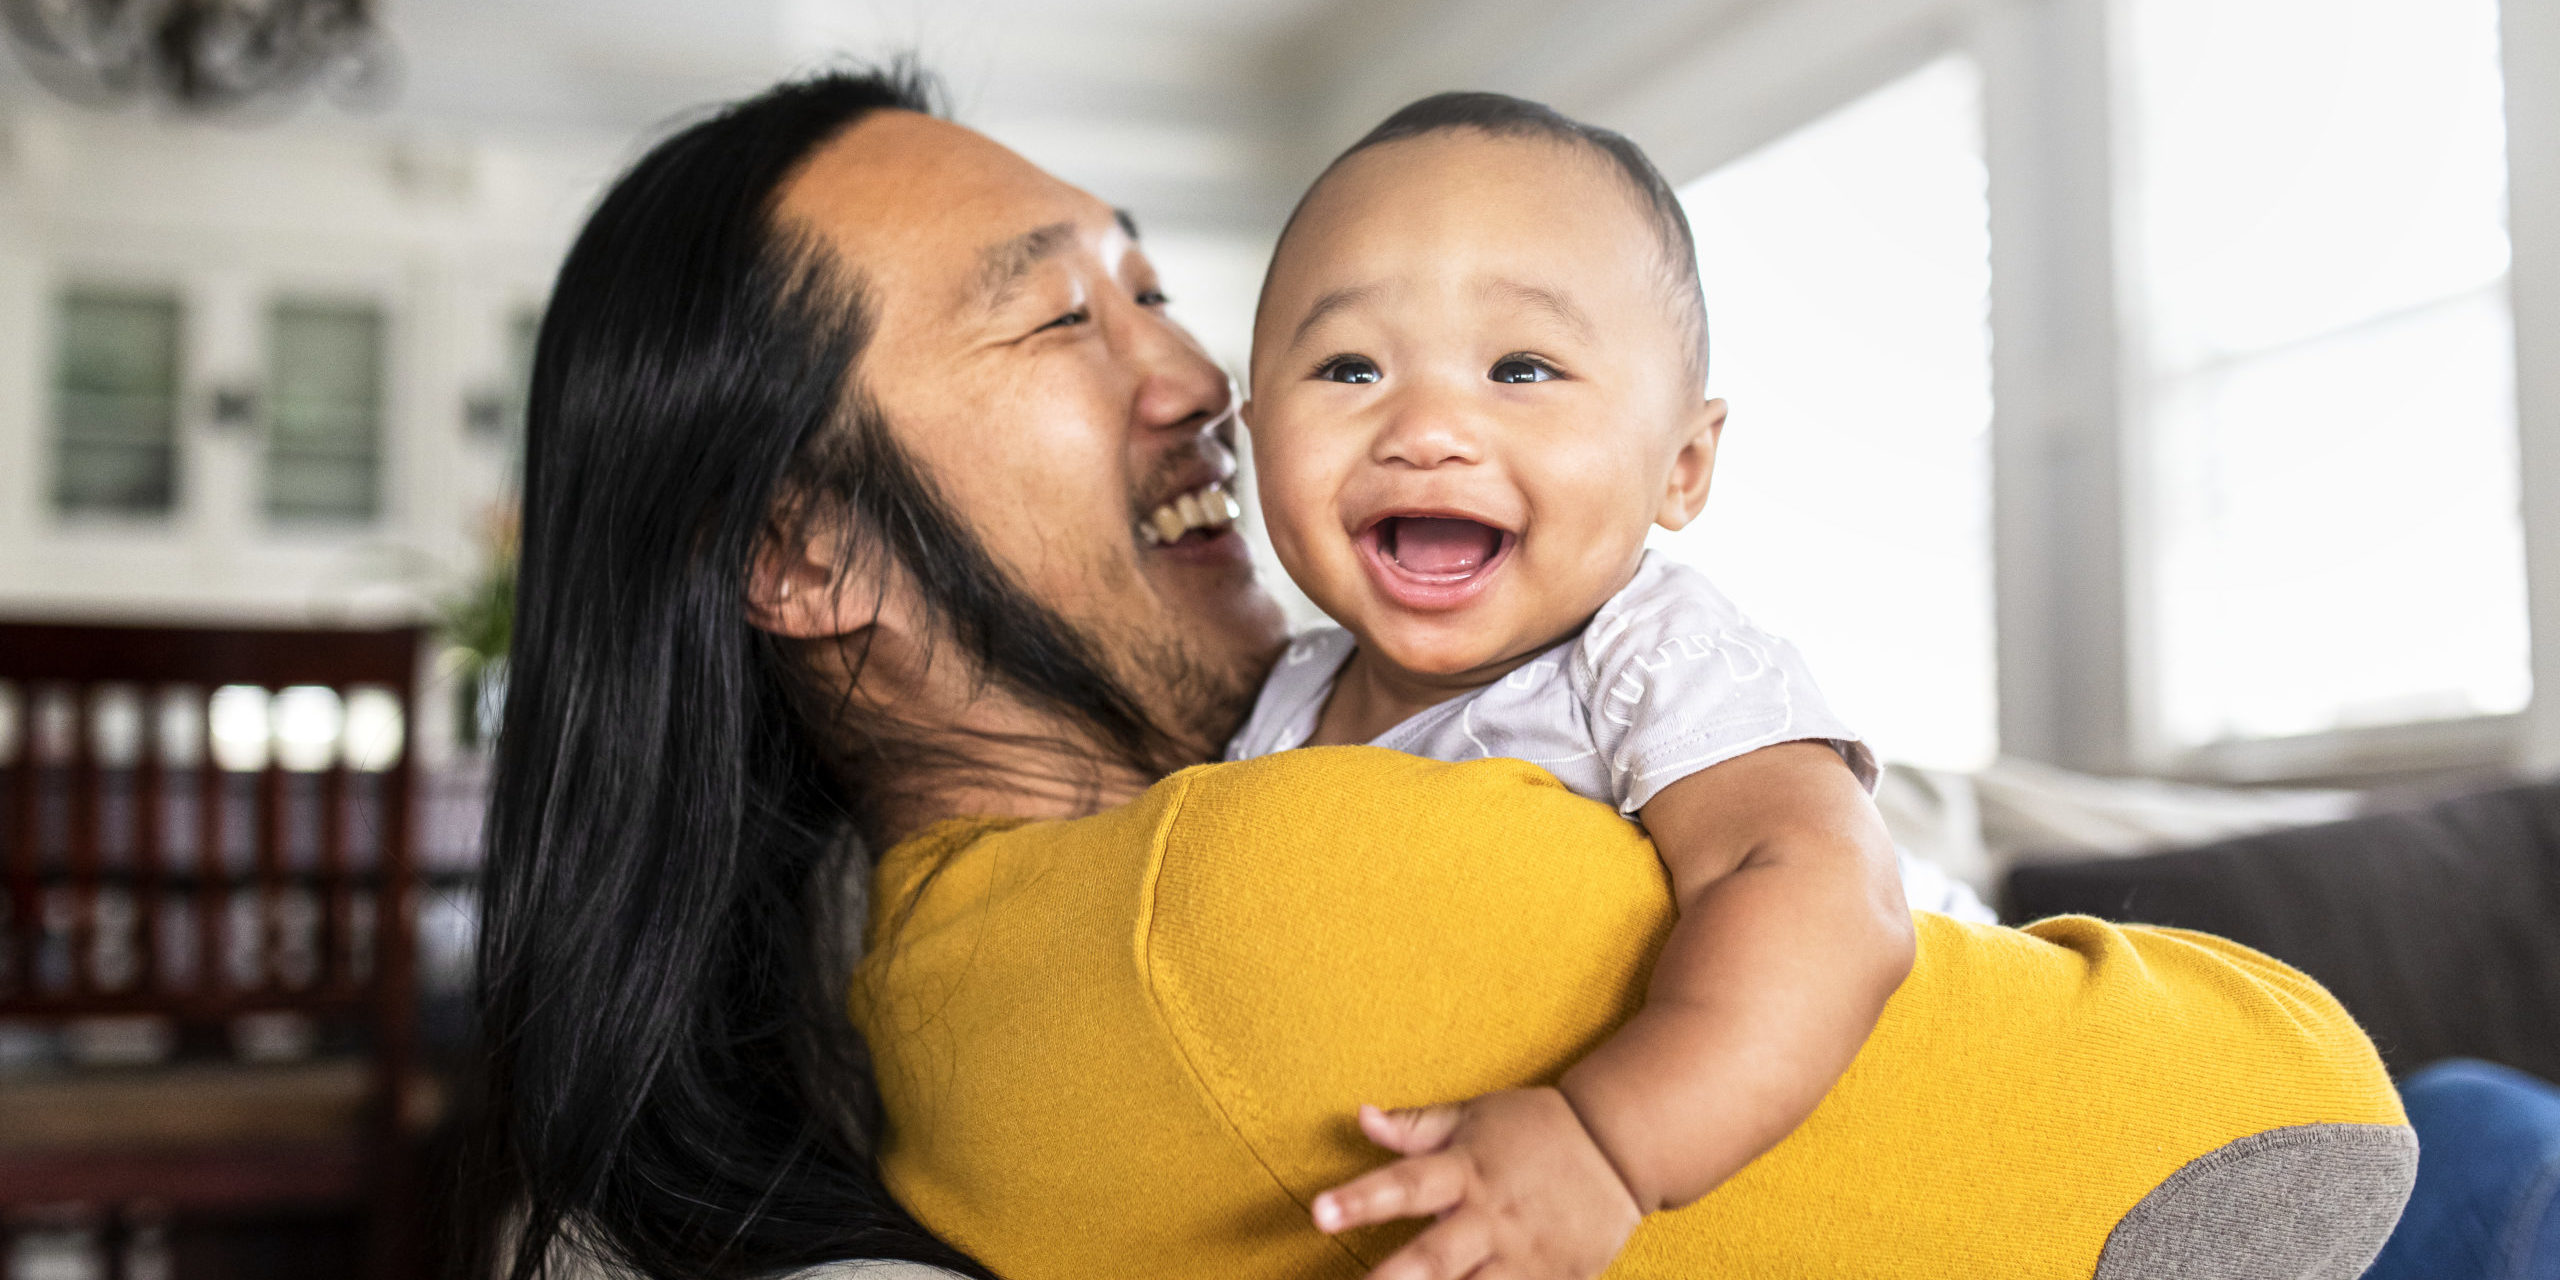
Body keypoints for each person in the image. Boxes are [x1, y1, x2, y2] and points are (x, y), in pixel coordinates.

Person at [461, 63, 2415, 1280]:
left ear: (1683, 462)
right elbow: (2292, 1120)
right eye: (1063, 318)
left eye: (1155, 288)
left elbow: (1812, 875)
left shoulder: (934, 995)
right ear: (798, 553)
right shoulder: (1257, 896)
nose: (1197, 380)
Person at [1229, 93, 1910, 1278]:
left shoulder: (1651, 653)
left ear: (1681, 465)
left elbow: (1822, 887)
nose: (1427, 428)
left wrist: (1607, 1142)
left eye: (1522, 366)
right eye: (1349, 366)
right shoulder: (1282, 700)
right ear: (1253, 435)